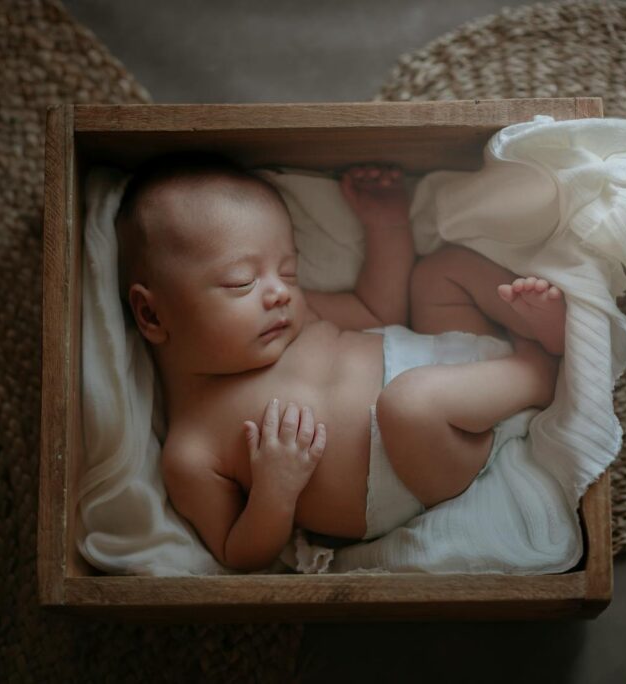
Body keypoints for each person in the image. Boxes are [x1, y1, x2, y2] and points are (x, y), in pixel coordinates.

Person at [115, 151, 566, 572]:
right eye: (241, 282)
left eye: (288, 271)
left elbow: (380, 311)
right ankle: (537, 372)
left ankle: (534, 323)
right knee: (407, 405)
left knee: (437, 273)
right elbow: (239, 553)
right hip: (432, 459)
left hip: (457, 367)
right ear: (153, 314)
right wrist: (275, 491)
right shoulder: (191, 450)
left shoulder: (297, 316)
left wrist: (387, 226)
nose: (279, 292)